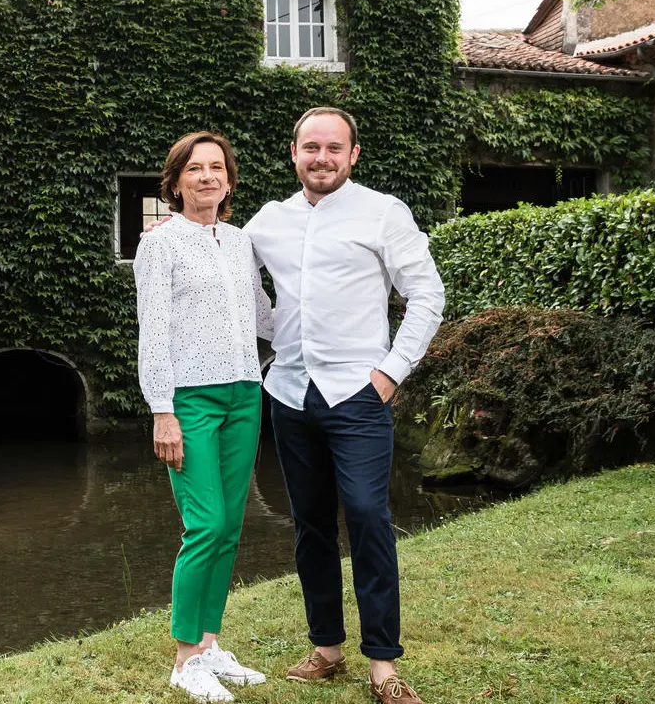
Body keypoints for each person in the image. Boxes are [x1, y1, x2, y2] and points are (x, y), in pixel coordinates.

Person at [243, 107, 444, 704]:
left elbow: (426, 294)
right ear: (294, 152)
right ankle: (328, 648)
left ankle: (383, 662)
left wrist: (390, 373)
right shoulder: (269, 221)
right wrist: (169, 232)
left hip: (359, 393)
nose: (321, 158)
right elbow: (226, 265)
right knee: (309, 524)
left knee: (366, 515)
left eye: (334, 148)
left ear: (352, 155)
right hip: (288, 392)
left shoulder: (383, 213)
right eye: (311, 148)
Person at [134, 131, 275, 703]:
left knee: (232, 527)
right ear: (175, 181)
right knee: (206, 524)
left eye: (217, 168)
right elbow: (154, 331)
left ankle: (211, 645)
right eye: (195, 169)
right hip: (190, 399)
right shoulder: (159, 244)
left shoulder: (241, 243)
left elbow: (264, 314)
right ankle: (185, 659)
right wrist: (162, 410)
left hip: (246, 393)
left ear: (229, 181)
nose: (208, 177)